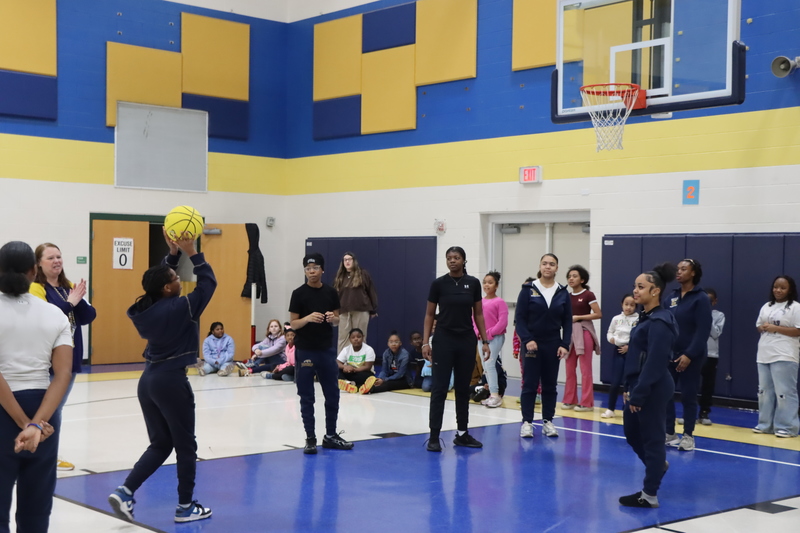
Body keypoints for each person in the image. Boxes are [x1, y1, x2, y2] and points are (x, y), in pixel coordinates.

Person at [108, 231, 215, 524]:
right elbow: (209, 283)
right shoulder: (182, 307)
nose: (181, 280)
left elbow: (156, 281)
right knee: (185, 445)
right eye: (176, 278)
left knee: (160, 443)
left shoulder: (144, 309)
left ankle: (125, 490)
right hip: (170, 380)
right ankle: (185, 507)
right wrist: (193, 252)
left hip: (148, 380)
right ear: (168, 289)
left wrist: (172, 255)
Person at [0, 241, 73, 533]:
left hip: (5, 410)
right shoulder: (55, 314)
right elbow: (63, 373)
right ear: (34, 271)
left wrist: (23, 423)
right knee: (37, 505)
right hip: (45, 412)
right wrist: (36, 424)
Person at [31, 242, 97, 471]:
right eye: (50, 258)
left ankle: (45, 453)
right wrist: (70, 303)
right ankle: (44, 454)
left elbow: (89, 315)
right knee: (48, 409)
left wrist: (77, 300)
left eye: (59, 256)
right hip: (46, 361)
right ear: (39, 263)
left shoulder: (68, 286)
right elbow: (45, 318)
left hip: (70, 357)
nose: (56, 261)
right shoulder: (36, 288)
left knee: (55, 409)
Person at [620, 263, 678, 509]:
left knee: (653, 440)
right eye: (635, 286)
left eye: (641, 287)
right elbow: (636, 355)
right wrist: (628, 386)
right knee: (632, 434)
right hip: (637, 384)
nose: (635, 290)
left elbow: (654, 362)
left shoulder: (660, 321)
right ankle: (658, 466)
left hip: (652, 387)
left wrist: (640, 394)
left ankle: (649, 494)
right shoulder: (646, 317)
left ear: (655, 291)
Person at [422, 246, 490, 452]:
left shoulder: (474, 283)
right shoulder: (438, 284)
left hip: (466, 340)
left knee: (462, 389)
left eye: (457, 258)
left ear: (464, 260)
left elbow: (478, 314)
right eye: (449, 258)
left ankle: (462, 434)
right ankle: (434, 436)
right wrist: (426, 342)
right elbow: (429, 315)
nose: (452, 261)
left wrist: (485, 340)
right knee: (439, 388)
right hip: (443, 340)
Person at [289, 253, 354, 455]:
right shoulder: (298, 293)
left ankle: (331, 435)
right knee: (307, 396)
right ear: (305, 271)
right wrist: (308, 318)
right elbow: (293, 324)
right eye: (308, 269)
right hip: (306, 350)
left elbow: (338, 320)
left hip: (326, 350)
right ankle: (310, 438)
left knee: (332, 394)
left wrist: (330, 318)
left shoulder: (331, 292)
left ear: (322, 270)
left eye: (315, 268)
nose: (311, 272)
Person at [515, 253, 572, 439]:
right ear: (540, 266)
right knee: (530, 384)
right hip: (532, 345)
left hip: (553, 345)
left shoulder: (563, 292)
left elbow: (567, 322)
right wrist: (527, 339)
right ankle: (527, 422)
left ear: (557, 268)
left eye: (552, 264)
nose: (548, 267)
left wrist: (565, 344)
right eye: (545, 264)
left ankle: (548, 421)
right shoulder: (528, 289)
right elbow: (520, 319)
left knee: (550, 385)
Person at [664, 258, 712, 452]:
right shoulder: (671, 297)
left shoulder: (701, 298)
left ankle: (688, 435)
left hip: (692, 357)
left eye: (684, 269)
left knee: (688, 396)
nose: (679, 272)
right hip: (671, 355)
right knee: (666, 394)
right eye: (678, 269)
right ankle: (669, 432)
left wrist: (689, 354)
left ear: (693, 273)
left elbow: (703, 330)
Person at [753, 275, 800, 438]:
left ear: (790, 290)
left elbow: (798, 330)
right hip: (764, 353)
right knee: (764, 391)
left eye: (782, 287)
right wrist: (763, 327)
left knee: (784, 392)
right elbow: (759, 325)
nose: (778, 290)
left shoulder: (795, 307)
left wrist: (775, 328)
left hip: (785, 354)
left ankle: (788, 427)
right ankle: (765, 424)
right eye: (775, 287)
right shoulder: (767, 306)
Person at [562, 265, 602, 412]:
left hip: (584, 331)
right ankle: (570, 399)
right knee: (569, 368)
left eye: (575, 276)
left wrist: (579, 317)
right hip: (570, 334)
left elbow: (598, 314)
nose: (571, 278)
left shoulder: (588, 295)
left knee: (585, 369)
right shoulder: (566, 295)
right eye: (569, 276)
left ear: (582, 279)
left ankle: (587, 402)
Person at [472, 271, 508, 408]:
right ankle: (492, 393)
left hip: (495, 337)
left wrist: (488, 333)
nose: (487, 285)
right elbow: (474, 319)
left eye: (490, 282)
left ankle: (495, 395)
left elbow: (502, 322)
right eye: (485, 282)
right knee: (485, 366)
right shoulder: (479, 302)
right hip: (481, 338)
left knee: (490, 364)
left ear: (496, 285)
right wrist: (478, 332)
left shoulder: (500, 302)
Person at [333, 252, 378, 353]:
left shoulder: (363, 274)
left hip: (361, 310)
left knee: (359, 337)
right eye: (345, 260)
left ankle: (361, 363)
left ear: (354, 261)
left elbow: (371, 291)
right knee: (343, 338)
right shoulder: (339, 277)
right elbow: (335, 295)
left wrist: (373, 309)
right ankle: (342, 363)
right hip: (343, 311)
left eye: (350, 259)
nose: (347, 261)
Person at [602, 294, 638, 418]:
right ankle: (610, 408)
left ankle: (627, 409)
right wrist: (611, 339)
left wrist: (629, 347)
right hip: (618, 351)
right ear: (622, 305)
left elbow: (638, 336)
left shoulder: (638, 319)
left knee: (629, 382)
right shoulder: (616, 318)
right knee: (615, 382)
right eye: (626, 304)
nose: (629, 307)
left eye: (632, 305)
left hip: (631, 352)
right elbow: (610, 332)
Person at [698, 288, 725, 425]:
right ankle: (689, 412)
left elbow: (715, 334)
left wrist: (707, 316)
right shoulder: (694, 313)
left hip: (711, 354)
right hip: (695, 353)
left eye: (710, 301)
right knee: (691, 384)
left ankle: (704, 412)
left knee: (708, 385)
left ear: (715, 302)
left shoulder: (719, 316)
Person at [336, 328, 377, 394]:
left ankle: (353, 385)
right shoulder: (346, 349)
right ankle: (349, 384)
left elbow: (367, 367)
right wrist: (345, 367)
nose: (356, 339)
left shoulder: (369, 349)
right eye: (353, 337)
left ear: (363, 337)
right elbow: (338, 363)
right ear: (349, 339)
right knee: (336, 370)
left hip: (363, 373)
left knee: (369, 377)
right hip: (350, 372)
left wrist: (354, 369)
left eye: (359, 337)